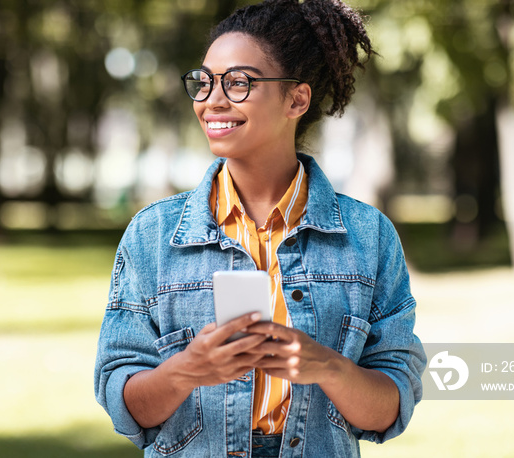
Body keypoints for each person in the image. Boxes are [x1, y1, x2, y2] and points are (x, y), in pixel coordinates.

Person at [94, 0, 426, 456]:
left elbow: (390, 409)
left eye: (238, 83)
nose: (212, 99)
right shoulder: (152, 234)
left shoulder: (369, 237)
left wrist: (327, 366)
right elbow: (124, 404)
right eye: (204, 82)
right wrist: (187, 370)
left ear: (296, 99)